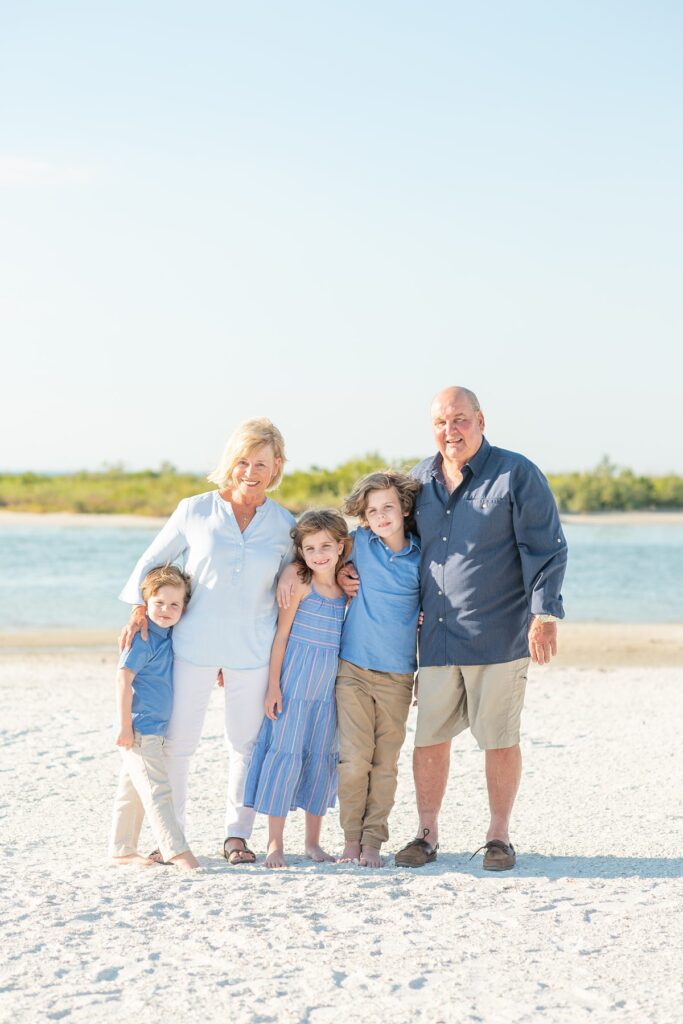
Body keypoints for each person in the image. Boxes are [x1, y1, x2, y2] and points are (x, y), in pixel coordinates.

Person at [342, 387, 568, 870]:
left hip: (499, 634)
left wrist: (544, 614)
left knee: (500, 738)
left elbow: (546, 548)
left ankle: (498, 836)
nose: (451, 431)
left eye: (460, 419)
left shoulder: (516, 473)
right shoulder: (419, 480)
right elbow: (392, 538)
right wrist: (345, 571)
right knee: (429, 738)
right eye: (442, 423)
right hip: (436, 639)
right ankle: (426, 834)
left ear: (480, 420)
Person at [119, 418, 295, 865]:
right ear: (229, 463)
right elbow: (151, 562)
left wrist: (315, 574)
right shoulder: (194, 510)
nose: (250, 472)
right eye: (242, 462)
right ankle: (170, 836)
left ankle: (237, 835)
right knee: (179, 743)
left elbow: (305, 570)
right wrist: (141, 607)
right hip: (191, 647)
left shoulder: (284, 524)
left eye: (261, 463)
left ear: (276, 467)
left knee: (246, 745)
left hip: (254, 649)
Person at [244, 509, 350, 869]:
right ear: (300, 552)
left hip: (327, 692)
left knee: (320, 760)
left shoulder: (347, 588)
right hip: (293, 684)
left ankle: (313, 842)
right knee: (284, 757)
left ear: (340, 546)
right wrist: (273, 686)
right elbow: (282, 637)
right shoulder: (300, 585)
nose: (318, 554)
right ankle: (275, 844)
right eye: (309, 548)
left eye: (325, 546)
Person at [335, 471, 421, 868]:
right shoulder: (360, 545)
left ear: (404, 508)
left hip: (398, 677)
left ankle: (373, 841)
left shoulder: (422, 558)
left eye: (388, 507)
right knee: (354, 759)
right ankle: (351, 837)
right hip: (351, 668)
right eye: (372, 510)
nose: (381, 515)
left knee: (385, 764)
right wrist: (339, 573)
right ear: (364, 516)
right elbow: (317, 560)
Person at [110, 564, 199, 871]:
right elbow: (123, 679)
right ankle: (176, 850)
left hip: (154, 727)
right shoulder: (144, 636)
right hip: (139, 727)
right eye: (158, 603)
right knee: (157, 789)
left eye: (174, 605)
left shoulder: (168, 635)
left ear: (184, 608)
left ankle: (122, 849)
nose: (165, 610)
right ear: (145, 604)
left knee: (132, 790)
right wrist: (124, 725)